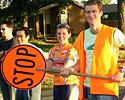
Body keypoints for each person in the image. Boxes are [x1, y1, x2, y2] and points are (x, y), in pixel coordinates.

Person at [61, 0, 125, 100]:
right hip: (87, 87)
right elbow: (81, 61)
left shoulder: (113, 33)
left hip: (106, 88)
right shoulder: (82, 36)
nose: (91, 15)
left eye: (94, 11)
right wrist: (70, 69)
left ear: (101, 13)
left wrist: (122, 71)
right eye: (88, 12)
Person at [46, 23, 79, 100]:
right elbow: (48, 69)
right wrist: (60, 68)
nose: (61, 36)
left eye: (64, 33)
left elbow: (64, 68)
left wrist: (54, 67)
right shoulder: (53, 50)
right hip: (56, 84)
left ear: (69, 35)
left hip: (69, 84)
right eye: (59, 33)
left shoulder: (72, 49)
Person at [15, 27, 48, 100]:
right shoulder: (15, 50)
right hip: (19, 83)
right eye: (17, 36)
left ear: (27, 37)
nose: (19, 39)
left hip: (32, 83)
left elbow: (46, 57)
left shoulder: (33, 49)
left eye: (21, 36)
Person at [0, 20, 18, 100]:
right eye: (0, 29)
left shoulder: (14, 42)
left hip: (11, 76)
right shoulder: (1, 42)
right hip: (2, 75)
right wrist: (5, 53)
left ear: (10, 29)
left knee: (12, 98)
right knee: (5, 97)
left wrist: (3, 54)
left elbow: (9, 58)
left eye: (3, 29)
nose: (1, 31)